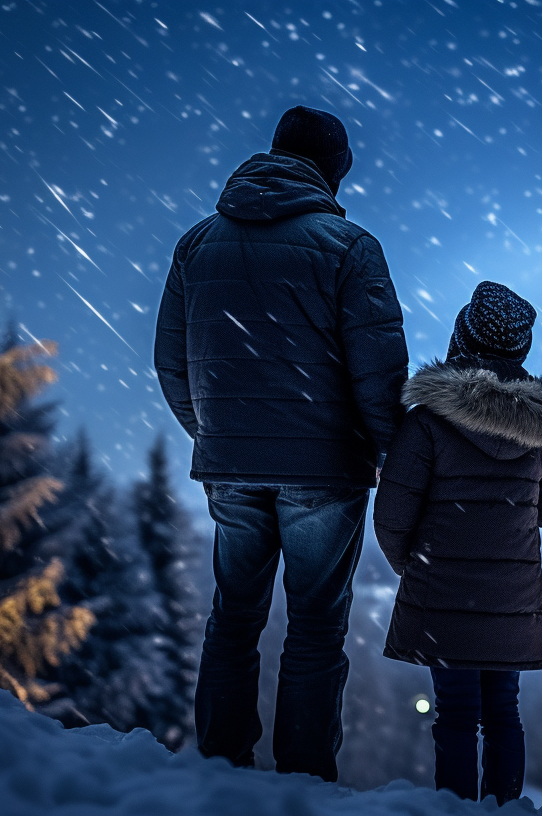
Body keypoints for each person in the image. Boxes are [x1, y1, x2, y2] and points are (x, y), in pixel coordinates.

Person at [153, 106, 408, 782]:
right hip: (324, 471)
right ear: (333, 171)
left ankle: (219, 766)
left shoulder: (196, 244)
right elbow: (378, 374)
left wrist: (216, 433)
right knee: (316, 629)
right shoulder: (351, 248)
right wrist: (390, 454)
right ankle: (302, 782)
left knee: (232, 617)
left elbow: (172, 363)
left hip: (231, 465)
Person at [374, 281, 542, 804]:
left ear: (461, 340)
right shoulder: (541, 432)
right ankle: (508, 807)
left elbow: (392, 515)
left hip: (443, 595)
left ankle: (455, 809)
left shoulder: (428, 422)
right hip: (511, 596)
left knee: (455, 716)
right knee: (504, 713)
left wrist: (413, 567)